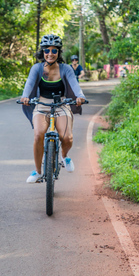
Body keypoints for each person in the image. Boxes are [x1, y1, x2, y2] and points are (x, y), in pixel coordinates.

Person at [20, 34, 86, 183]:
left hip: (61, 104)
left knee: (66, 137)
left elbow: (74, 84)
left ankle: (64, 156)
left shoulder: (66, 68)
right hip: (42, 104)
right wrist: (25, 97)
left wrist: (80, 96)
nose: (50, 54)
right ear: (42, 52)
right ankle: (37, 171)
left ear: (58, 53)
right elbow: (29, 83)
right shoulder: (37, 68)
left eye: (54, 51)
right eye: (47, 50)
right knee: (38, 134)